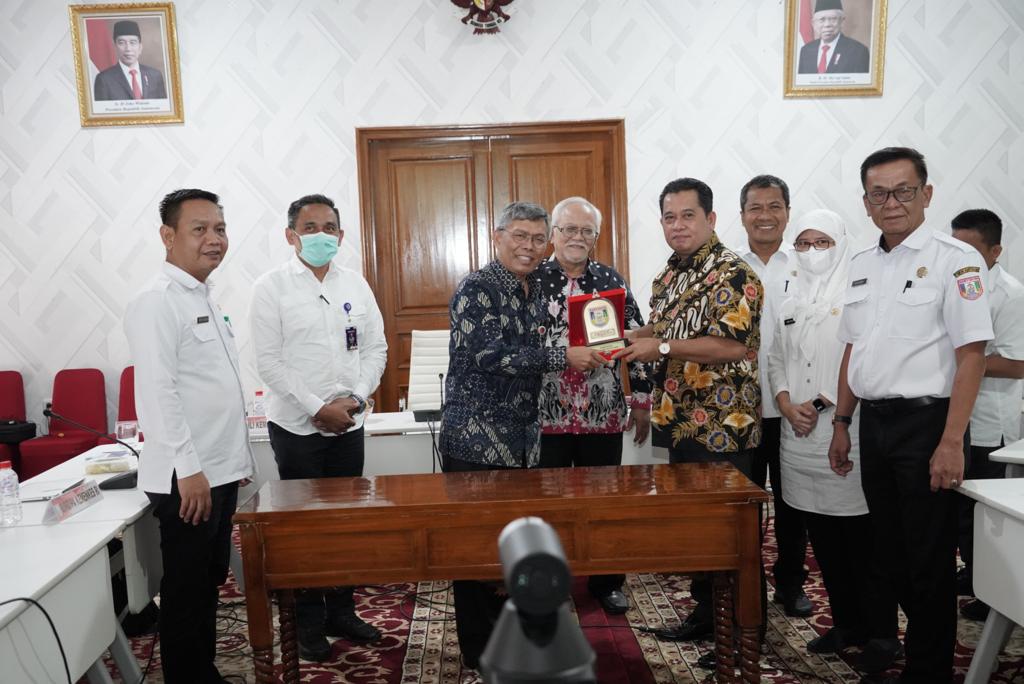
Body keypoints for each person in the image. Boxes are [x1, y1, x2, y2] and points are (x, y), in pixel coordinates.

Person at [827, 147, 993, 684]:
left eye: (903, 190)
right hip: (874, 424)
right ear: (865, 202)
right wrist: (842, 423)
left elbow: (973, 355)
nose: (891, 202)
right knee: (889, 551)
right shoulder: (861, 264)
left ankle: (928, 670)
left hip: (929, 425)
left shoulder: (956, 261)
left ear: (927, 194)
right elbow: (853, 349)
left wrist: (952, 441)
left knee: (928, 558)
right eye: (879, 193)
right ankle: (908, 648)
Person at [439, 201, 607, 669]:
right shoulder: (478, 288)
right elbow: (490, 356)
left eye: (537, 239)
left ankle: (512, 643)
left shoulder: (530, 288)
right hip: (476, 441)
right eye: (519, 236)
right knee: (476, 553)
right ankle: (480, 653)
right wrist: (563, 357)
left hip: (522, 442)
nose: (529, 247)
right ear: (497, 237)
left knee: (513, 549)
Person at [616, 178, 763, 650]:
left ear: (711, 219)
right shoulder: (671, 273)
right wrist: (624, 338)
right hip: (679, 420)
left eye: (688, 215)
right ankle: (708, 616)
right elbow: (666, 326)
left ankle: (743, 634)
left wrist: (659, 347)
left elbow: (732, 345)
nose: (677, 225)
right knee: (701, 532)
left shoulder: (732, 272)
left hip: (722, 425)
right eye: (669, 217)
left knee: (731, 535)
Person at [124, 188, 255, 684]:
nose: (214, 239)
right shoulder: (156, 301)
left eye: (219, 228)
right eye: (199, 229)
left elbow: (215, 387)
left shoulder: (202, 296)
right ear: (168, 235)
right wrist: (190, 469)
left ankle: (203, 671)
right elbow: (158, 394)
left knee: (207, 583)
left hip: (217, 470)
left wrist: (236, 464)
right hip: (189, 477)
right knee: (185, 588)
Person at [249, 193, 387, 662]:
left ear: (341, 235)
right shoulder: (271, 288)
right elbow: (269, 362)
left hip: (349, 422)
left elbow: (376, 349)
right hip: (296, 427)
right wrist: (316, 407)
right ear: (291, 235)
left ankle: (341, 611)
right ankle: (307, 622)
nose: (321, 236)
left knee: (346, 522)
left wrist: (356, 398)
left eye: (329, 227)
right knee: (303, 528)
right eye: (310, 228)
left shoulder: (356, 284)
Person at [766, 209, 898, 660]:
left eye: (822, 242)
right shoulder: (790, 295)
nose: (812, 252)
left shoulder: (858, 294)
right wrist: (786, 403)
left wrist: (824, 405)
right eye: (803, 243)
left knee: (863, 541)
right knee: (822, 538)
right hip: (797, 434)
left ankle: (881, 633)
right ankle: (846, 624)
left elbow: (862, 359)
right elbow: (776, 358)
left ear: (840, 244)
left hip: (846, 429)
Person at [536, 196, 652, 616]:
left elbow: (637, 337)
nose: (577, 237)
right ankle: (549, 584)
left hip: (601, 413)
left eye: (586, 231)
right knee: (547, 507)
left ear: (596, 237)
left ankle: (607, 583)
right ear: (553, 234)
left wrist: (642, 400)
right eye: (569, 229)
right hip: (543, 416)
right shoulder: (531, 279)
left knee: (604, 504)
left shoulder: (610, 280)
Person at [735, 174, 811, 618]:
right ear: (742, 215)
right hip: (737, 412)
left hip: (791, 408)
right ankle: (743, 586)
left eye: (774, 206)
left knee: (792, 503)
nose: (765, 216)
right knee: (743, 507)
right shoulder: (727, 267)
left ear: (787, 212)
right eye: (755, 207)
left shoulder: (806, 265)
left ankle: (790, 582)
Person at [950, 209, 1024, 622]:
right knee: (962, 511)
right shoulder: (957, 283)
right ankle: (975, 575)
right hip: (957, 417)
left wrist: (961, 359)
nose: (961, 257)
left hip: (990, 422)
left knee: (986, 516)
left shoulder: (1010, 295)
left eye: (971, 250)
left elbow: (1016, 364)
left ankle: (995, 593)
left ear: (995, 251)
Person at [93, 20, 167, 101]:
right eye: (121, 43)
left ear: (140, 47)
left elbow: (163, 106)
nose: (128, 48)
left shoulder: (155, 76)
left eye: (133, 42)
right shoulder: (104, 79)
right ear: (115, 47)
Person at [797, 0, 871, 74]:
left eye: (833, 19)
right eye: (822, 20)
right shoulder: (805, 51)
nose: (827, 25)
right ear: (813, 24)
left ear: (841, 22)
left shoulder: (858, 52)